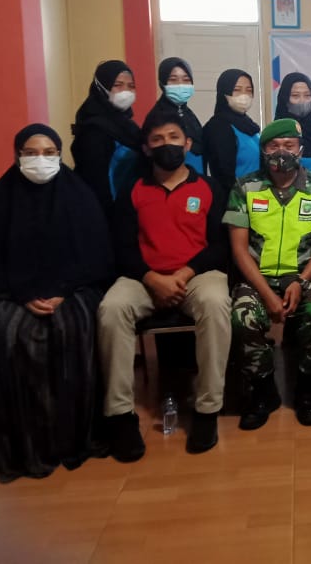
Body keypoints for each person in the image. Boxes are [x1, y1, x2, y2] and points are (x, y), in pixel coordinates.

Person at [0, 124, 113, 483]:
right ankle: (23, 446)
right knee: (8, 333)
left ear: (59, 155)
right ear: (17, 156)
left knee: (72, 328)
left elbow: (95, 258)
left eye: (48, 153)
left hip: (72, 290)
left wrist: (63, 291)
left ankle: (73, 436)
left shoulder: (80, 198)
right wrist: (23, 295)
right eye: (30, 153)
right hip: (13, 293)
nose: (40, 160)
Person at [98, 110, 232, 459]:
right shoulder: (133, 190)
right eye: (157, 139)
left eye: (173, 137)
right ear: (146, 148)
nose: (166, 145)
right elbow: (121, 247)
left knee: (216, 303)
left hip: (197, 275)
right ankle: (120, 416)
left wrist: (184, 274)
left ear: (187, 143)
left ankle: (207, 410)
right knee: (111, 309)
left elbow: (220, 245)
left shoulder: (209, 188)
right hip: (144, 277)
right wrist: (152, 278)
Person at [225, 119, 311, 430]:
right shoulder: (245, 187)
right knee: (243, 317)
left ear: (300, 149)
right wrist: (266, 294)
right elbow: (239, 249)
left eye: (289, 145)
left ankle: (306, 389)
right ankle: (263, 391)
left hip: (306, 273)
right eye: (273, 146)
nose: (281, 152)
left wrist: (301, 281)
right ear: (263, 151)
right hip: (258, 276)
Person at [70, 60, 142, 221]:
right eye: (118, 85)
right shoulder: (93, 130)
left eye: (131, 86)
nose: (126, 91)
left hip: (131, 205)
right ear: (101, 87)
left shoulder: (127, 125)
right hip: (107, 212)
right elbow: (94, 181)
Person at [203, 68, 260, 191]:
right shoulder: (219, 127)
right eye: (237, 90)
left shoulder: (249, 126)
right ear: (224, 92)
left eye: (249, 90)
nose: (244, 95)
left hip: (256, 196)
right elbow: (224, 176)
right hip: (236, 198)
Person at [150, 57, 205, 174]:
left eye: (186, 80)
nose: (180, 85)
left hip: (196, 177)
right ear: (162, 83)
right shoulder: (158, 116)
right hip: (173, 177)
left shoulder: (188, 113)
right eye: (173, 80)